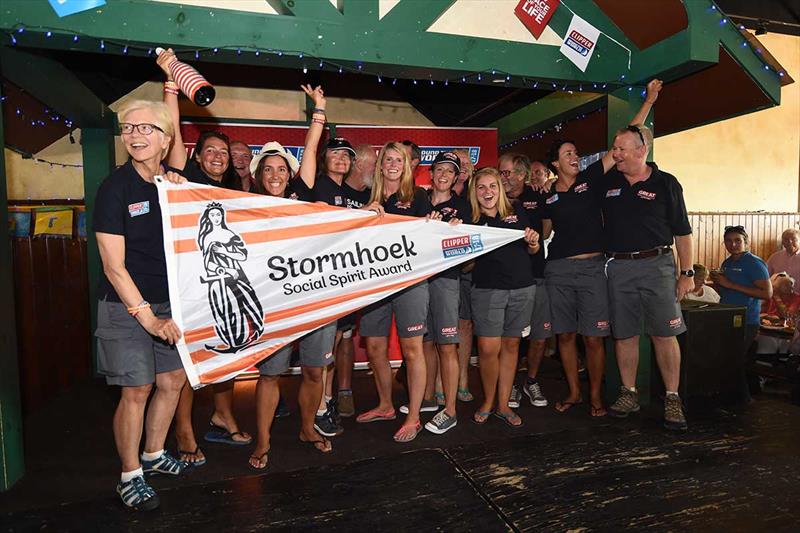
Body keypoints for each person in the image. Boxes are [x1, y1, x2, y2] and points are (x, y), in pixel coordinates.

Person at [540, 80, 662, 420]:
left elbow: (629, 139)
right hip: (558, 270)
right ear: (555, 164)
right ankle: (574, 392)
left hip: (593, 268)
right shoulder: (548, 196)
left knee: (593, 339)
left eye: (575, 153)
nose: (575, 157)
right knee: (565, 336)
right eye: (568, 154)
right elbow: (543, 231)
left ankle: (595, 397)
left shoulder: (590, 178)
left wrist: (649, 100)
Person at [94, 100, 189, 510]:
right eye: (128, 128)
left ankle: (154, 453)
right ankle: (130, 475)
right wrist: (147, 317)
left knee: (172, 382)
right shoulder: (114, 189)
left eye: (146, 128)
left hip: (172, 302)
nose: (134, 135)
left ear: (165, 139)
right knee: (137, 389)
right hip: (126, 306)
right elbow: (114, 267)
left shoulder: (172, 186)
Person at [157, 48, 251, 465]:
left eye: (223, 154)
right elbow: (173, 132)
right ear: (197, 156)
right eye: (209, 151)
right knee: (188, 363)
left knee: (225, 355)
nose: (217, 157)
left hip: (221, 284)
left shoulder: (231, 191)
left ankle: (221, 414)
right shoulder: (185, 176)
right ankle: (184, 431)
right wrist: (171, 87)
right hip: (184, 285)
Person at [246, 93, 336, 468]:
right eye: (268, 169)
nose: (275, 175)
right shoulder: (245, 206)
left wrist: (319, 110)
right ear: (258, 175)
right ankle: (263, 442)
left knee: (316, 370)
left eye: (281, 168)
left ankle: (307, 428)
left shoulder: (305, 193)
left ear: (290, 173)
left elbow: (311, 145)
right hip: (272, 303)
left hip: (315, 297)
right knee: (270, 375)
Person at [599, 112, 695, 429]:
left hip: (658, 267)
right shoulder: (608, 182)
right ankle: (629, 393)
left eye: (622, 149)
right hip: (618, 268)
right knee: (624, 335)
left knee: (664, 334)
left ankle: (672, 398)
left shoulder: (666, 183)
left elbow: (683, 233)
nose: (616, 154)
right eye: (615, 149)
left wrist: (687, 273)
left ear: (642, 151)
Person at [356, 142, 432, 443]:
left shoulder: (418, 196)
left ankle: (413, 417)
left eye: (397, 160)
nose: (391, 164)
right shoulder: (367, 196)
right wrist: (362, 213)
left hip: (411, 282)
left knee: (412, 350)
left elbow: (430, 234)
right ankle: (386, 405)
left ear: (407, 165)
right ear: (379, 165)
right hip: (376, 283)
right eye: (387, 159)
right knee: (375, 347)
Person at [468, 167, 540, 427]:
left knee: (511, 347)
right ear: (474, 192)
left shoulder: (517, 210)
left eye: (492, 186)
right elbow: (465, 264)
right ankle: (488, 400)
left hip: (522, 288)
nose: (487, 192)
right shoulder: (469, 218)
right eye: (481, 187)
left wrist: (533, 243)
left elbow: (533, 249)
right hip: (487, 290)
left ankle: (502, 404)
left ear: (500, 189)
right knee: (488, 349)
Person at [419, 151, 470, 434]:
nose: (443, 175)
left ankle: (449, 409)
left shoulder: (462, 207)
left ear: (455, 177)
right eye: (439, 169)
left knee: (447, 345)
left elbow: (467, 248)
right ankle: (427, 397)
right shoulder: (417, 200)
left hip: (446, 281)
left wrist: (455, 233)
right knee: (423, 342)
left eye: (449, 171)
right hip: (417, 281)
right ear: (432, 173)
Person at [498, 152, 551, 409]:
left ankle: (531, 381)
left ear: (521, 174)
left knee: (539, 335)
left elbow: (548, 230)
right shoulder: (493, 197)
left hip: (536, 273)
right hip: (505, 278)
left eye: (507, 172)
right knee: (509, 338)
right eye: (501, 172)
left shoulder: (538, 195)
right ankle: (510, 386)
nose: (503, 178)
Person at [334, 144, 376, 418]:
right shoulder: (337, 190)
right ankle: (325, 396)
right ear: (359, 165)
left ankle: (345, 391)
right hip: (335, 276)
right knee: (331, 337)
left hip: (363, 277)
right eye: (374, 164)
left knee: (347, 334)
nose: (379, 169)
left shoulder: (374, 193)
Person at [712, 226, 772, 402]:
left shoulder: (754, 263)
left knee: (735, 359)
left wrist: (730, 285)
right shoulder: (727, 263)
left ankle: (743, 399)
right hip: (727, 316)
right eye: (729, 241)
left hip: (747, 319)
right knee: (726, 358)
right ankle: (730, 396)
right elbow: (726, 292)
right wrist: (718, 283)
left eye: (737, 240)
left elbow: (767, 294)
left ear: (746, 242)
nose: (733, 244)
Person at [452, 149, 477, 403]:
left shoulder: (478, 193)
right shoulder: (436, 195)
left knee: (465, 326)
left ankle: (463, 381)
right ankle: (440, 383)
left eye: (468, 162)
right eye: (459, 162)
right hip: (444, 272)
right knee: (441, 329)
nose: (464, 166)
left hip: (471, 270)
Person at [757, 273, 800, 354]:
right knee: (766, 340)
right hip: (770, 331)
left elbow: (787, 315)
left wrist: (777, 298)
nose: (791, 287)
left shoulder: (796, 297)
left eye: (791, 284)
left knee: (781, 343)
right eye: (786, 285)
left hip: (789, 333)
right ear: (777, 287)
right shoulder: (770, 296)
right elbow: (760, 311)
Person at [766, 229, 800, 294]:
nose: (790, 242)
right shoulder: (775, 257)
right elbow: (765, 276)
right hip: (778, 298)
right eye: (786, 239)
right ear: (782, 242)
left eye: (794, 239)